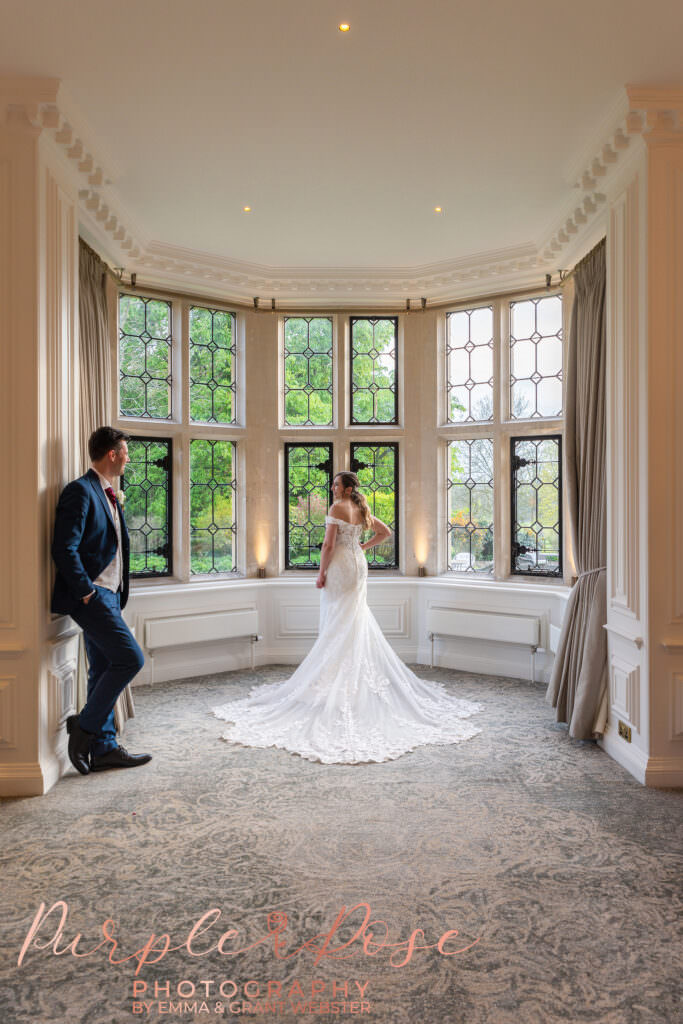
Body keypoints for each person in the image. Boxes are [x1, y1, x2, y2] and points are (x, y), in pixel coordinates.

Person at [212, 471, 483, 763]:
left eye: (336, 484)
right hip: (358, 565)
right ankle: (348, 680)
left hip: (341, 566)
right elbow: (385, 532)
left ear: (348, 487)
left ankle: (334, 682)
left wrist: (320, 573)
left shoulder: (337, 508)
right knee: (352, 620)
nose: (332, 488)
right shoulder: (360, 508)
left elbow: (328, 546)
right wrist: (361, 548)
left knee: (337, 622)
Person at [51, 427, 151, 775]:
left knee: (105, 667)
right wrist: (86, 591)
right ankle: (85, 727)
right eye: (125, 451)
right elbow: (64, 547)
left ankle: (104, 748)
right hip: (92, 596)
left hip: (109, 594)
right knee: (130, 658)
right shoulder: (80, 491)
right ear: (112, 453)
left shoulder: (108, 493)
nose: (127, 457)